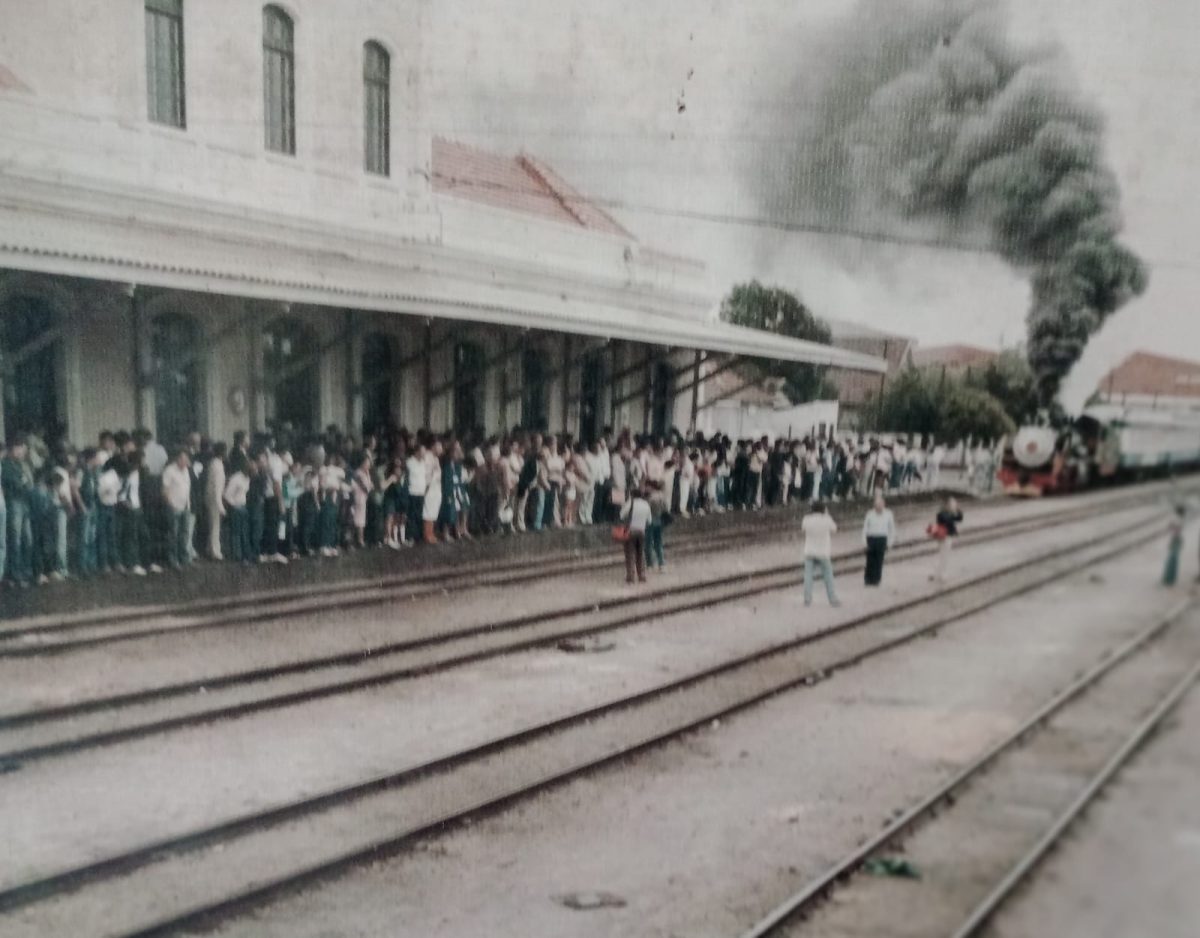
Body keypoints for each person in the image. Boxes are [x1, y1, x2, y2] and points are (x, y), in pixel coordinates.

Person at [801, 501, 840, 607]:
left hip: (809, 551)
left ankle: (807, 598)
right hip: (823, 552)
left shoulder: (806, 519)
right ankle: (832, 598)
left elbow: (803, 529)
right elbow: (834, 529)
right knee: (828, 576)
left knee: (808, 576)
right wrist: (827, 515)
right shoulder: (827, 519)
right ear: (823, 509)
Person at [161, 448, 193, 570]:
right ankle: (173, 559)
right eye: (184, 459)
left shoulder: (186, 471)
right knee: (173, 534)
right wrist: (170, 504)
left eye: (187, 459)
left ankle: (184, 558)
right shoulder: (169, 471)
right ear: (178, 459)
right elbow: (165, 490)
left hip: (185, 506)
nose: (186, 462)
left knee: (184, 533)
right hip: (174, 506)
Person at [862, 492, 896, 587]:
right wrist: (864, 542)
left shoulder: (888, 514)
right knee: (870, 560)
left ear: (883, 505)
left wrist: (890, 543)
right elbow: (865, 529)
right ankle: (868, 579)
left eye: (880, 505)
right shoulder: (870, 514)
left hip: (882, 538)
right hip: (871, 538)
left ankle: (876, 579)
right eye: (877, 505)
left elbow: (892, 529)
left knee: (879, 560)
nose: (878, 507)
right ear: (874, 506)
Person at [620, 485, 651, 584]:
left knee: (630, 554)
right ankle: (642, 575)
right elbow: (649, 520)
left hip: (630, 531)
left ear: (632, 495)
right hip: (641, 531)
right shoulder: (646, 504)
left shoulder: (629, 503)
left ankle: (631, 576)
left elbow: (621, 515)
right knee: (640, 553)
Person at [932, 496, 964, 582]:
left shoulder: (949, 513)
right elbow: (948, 520)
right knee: (944, 556)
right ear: (947, 504)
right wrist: (953, 511)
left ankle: (938, 573)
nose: (954, 504)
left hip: (948, 536)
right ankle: (942, 574)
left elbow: (960, 518)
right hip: (943, 537)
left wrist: (957, 509)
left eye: (954, 503)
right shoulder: (941, 513)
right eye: (953, 503)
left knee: (944, 556)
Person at [206, 443, 227, 561]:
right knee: (215, 526)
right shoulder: (218, 466)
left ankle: (210, 548)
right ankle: (215, 551)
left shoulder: (213, 463)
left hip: (211, 497)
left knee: (213, 525)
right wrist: (220, 505)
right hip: (215, 499)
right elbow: (217, 487)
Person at [1163, 505, 1185, 586]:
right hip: (1175, 540)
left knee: (1172, 559)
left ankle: (1168, 578)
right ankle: (1170, 579)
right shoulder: (1178, 520)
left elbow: (1170, 529)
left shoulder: (1175, 519)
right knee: (1173, 559)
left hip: (1174, 540)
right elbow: (1176, 531)